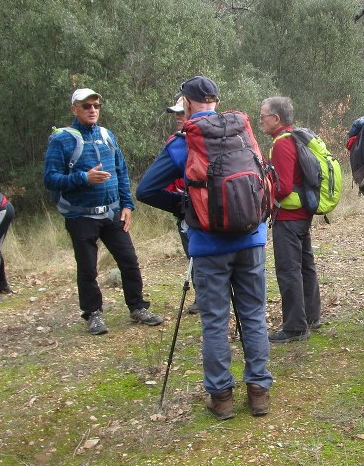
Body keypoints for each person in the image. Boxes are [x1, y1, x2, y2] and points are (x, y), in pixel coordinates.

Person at [136, 76, 272, 419]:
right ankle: (259, 393)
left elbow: (147, 190)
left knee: (215, 320)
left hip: (209, 245)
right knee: (254, 314)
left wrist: (185, 205)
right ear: (216, 100)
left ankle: (221, 398)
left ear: (187, 101)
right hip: (252, 238)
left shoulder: (185, 142)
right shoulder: (243, 133)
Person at [43, 88, 161, 336]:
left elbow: (121, 171)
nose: (92, 110)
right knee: (87, 268)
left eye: (96, 105)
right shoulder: (61, 139)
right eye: (86, 106)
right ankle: (93, 314)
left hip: (112, 213)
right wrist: (84, 178)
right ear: (74, 109)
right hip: (80, 215)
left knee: (129, 261)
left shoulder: (107, 135)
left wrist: (127, 205)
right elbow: (50, 179)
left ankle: (137, 307)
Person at [259, 96, 322, 342]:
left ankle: (294, 328)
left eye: (263, 116)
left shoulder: (282, 144)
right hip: (302, 214)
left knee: (289, 270)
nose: (260, 121)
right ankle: (311, 316)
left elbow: (283, 188)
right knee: (305, 265)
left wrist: (264, 190)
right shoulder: (294, 138)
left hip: (288, 216)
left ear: (276, 118)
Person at [165, 93, 200, 315]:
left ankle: (206, 296)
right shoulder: (175, 141)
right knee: (191, 251)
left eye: (181, 112)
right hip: (182, 204)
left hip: (196, 204)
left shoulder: (189, 140)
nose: (178, 117)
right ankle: (202, 295)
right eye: (175, 113)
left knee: (198, 250)